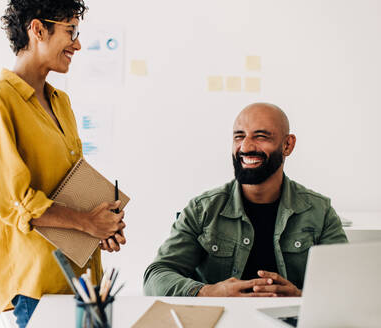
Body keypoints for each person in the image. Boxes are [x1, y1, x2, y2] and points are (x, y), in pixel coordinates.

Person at [0, 0, 126, 326]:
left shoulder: (61, 101)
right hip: (38, 285)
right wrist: (87, 223)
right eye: (70, 31)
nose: (78, 44)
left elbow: (71, 185)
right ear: (38, 30)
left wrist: (102, 225)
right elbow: (13, 201)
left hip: (81, 278)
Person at [143, 103, 347, 298]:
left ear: (287, 145)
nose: (246, 146)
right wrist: (209, 292)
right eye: (239, 136)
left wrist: (300, 298)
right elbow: (156, 276)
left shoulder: (320, 212)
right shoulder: (202, 210)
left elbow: (346, 285)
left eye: (261, 136)